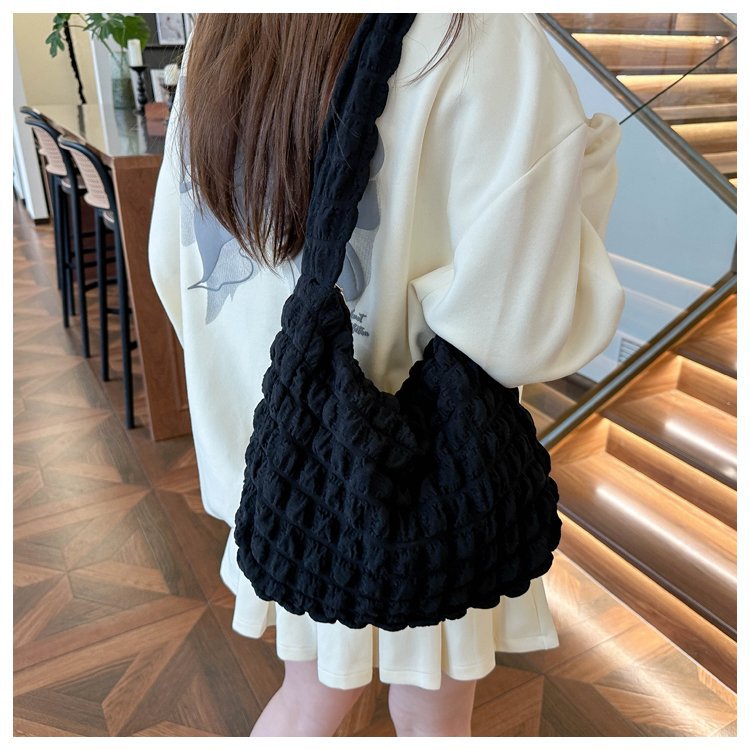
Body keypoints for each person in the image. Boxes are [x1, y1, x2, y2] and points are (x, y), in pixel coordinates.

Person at [148, 13, 625, 737]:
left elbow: (173, 263)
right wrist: (590, 170)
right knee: (433, 713)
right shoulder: (479, 32)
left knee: (309, 700)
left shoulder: (225, 29)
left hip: (280, 475)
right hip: (425, 480)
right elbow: (522, 332)